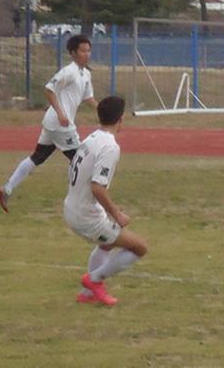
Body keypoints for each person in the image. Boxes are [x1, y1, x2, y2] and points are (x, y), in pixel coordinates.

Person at [0, 34, 97, 213]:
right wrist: (60, 113)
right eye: (83, 51)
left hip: (53, 124)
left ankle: (7, 189)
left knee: (38, 157)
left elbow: (89, 98)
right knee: (80, 159)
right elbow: (49, 90)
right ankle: (76, 202)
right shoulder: (69, 71)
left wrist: (105, 111)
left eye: (88, 50)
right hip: (60, 124)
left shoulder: (85, 73)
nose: (87, 54)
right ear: (73, 53)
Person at [65, 95, 148, 306]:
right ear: (120, 119)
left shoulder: (91, 138)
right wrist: (116, 213)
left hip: (71, 207)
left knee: (106, 245)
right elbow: (97, 187)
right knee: (139, 248)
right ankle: (94, 281)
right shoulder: (110, 146)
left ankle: (86, 293)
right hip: (86, 217)